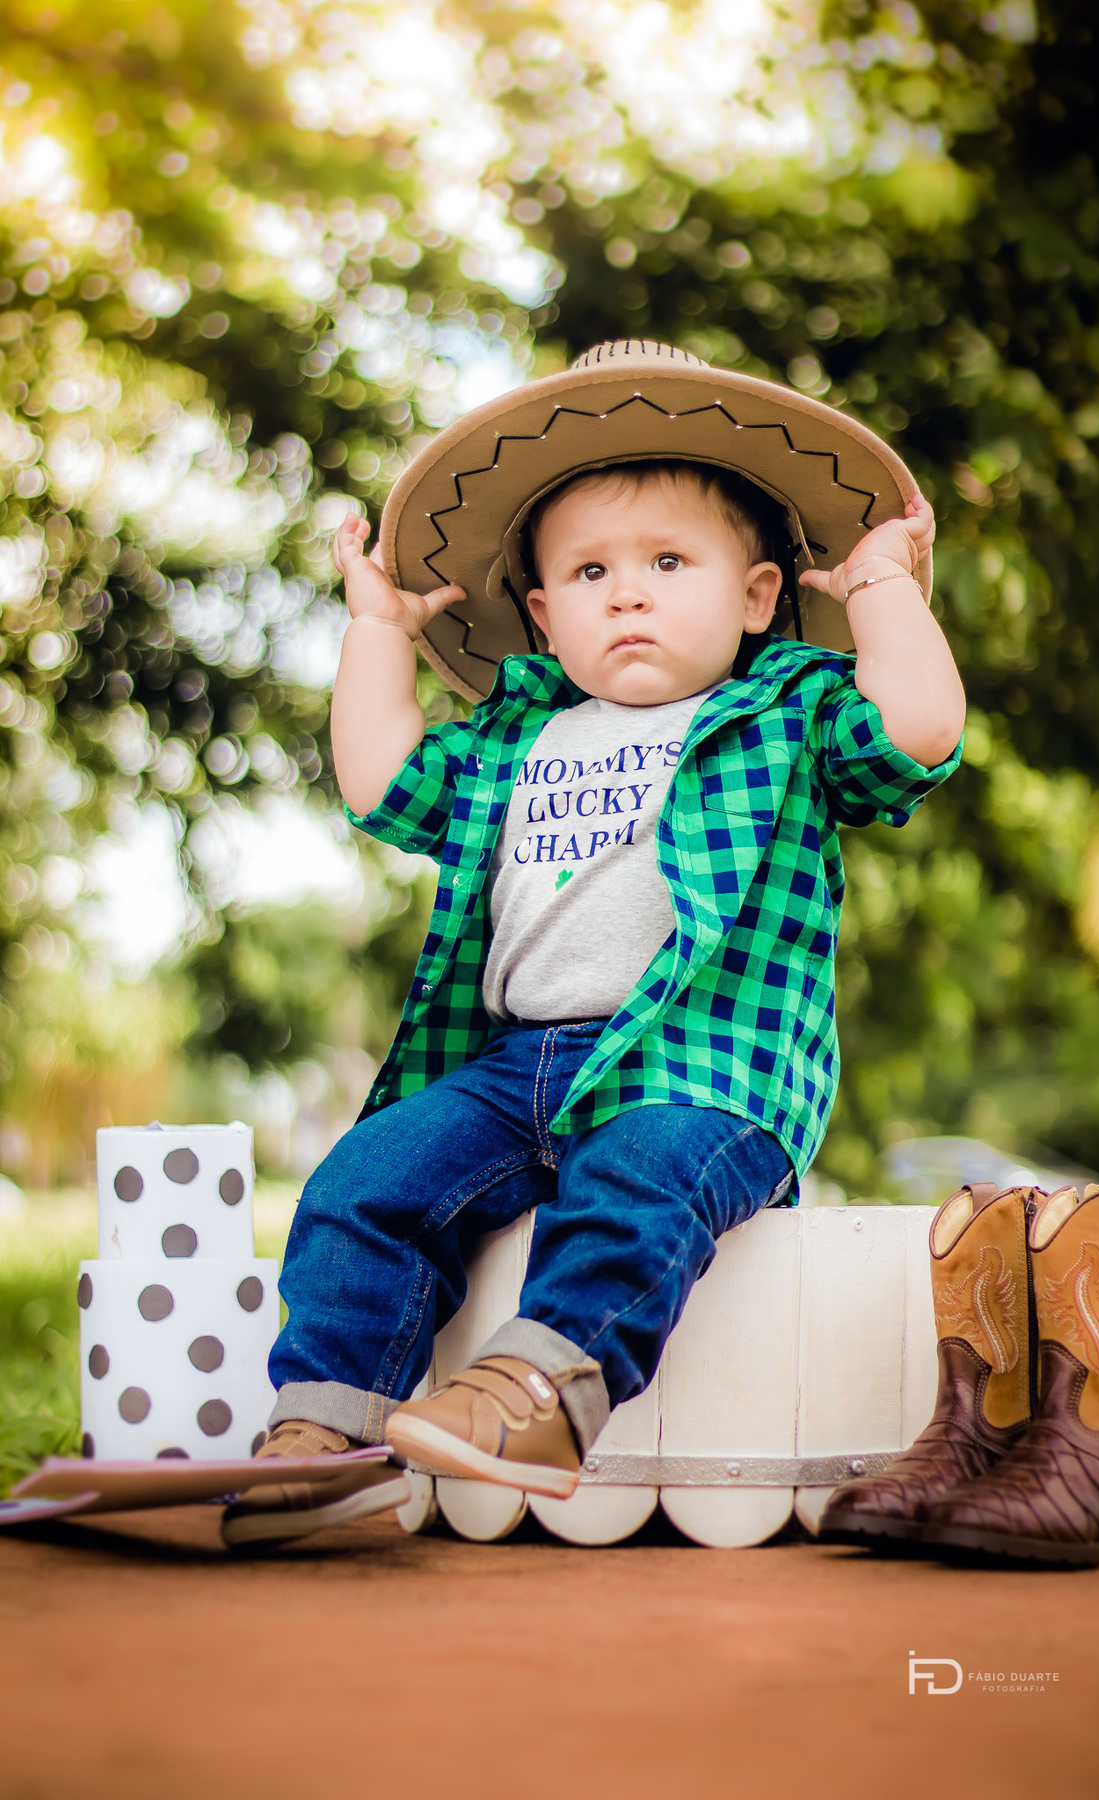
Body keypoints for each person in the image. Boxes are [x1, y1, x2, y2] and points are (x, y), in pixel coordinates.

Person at [221, 338, 965, 1548]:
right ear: (542, 614)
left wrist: (882, 588)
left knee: (635, 1183)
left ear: (758, 597)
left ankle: (538, 1387)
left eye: (669, 562)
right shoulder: (516, 736)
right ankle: (325, 1436)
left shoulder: (787, 713)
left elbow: (919, 732)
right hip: (516, 1066)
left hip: (704, 1069)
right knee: (365, 1179)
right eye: (590, 571)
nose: (628, 593)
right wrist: (375, 631)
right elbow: (378, 780)